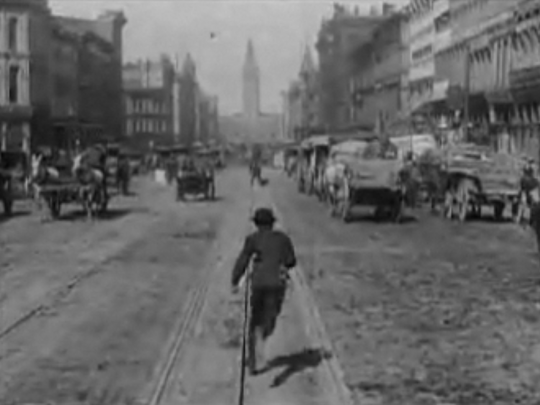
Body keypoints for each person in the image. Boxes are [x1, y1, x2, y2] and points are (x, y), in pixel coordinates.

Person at [231, 207, 297, 375]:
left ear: (256, 224)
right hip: (277, 283)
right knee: (271, 315)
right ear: (272, 223)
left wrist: (235, 280)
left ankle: (252, 360)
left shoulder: (252, 239)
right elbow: (291, 261)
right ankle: (265, 332)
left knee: (253, 320)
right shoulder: (283, 239)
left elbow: (242, 260)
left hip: (258, 283)